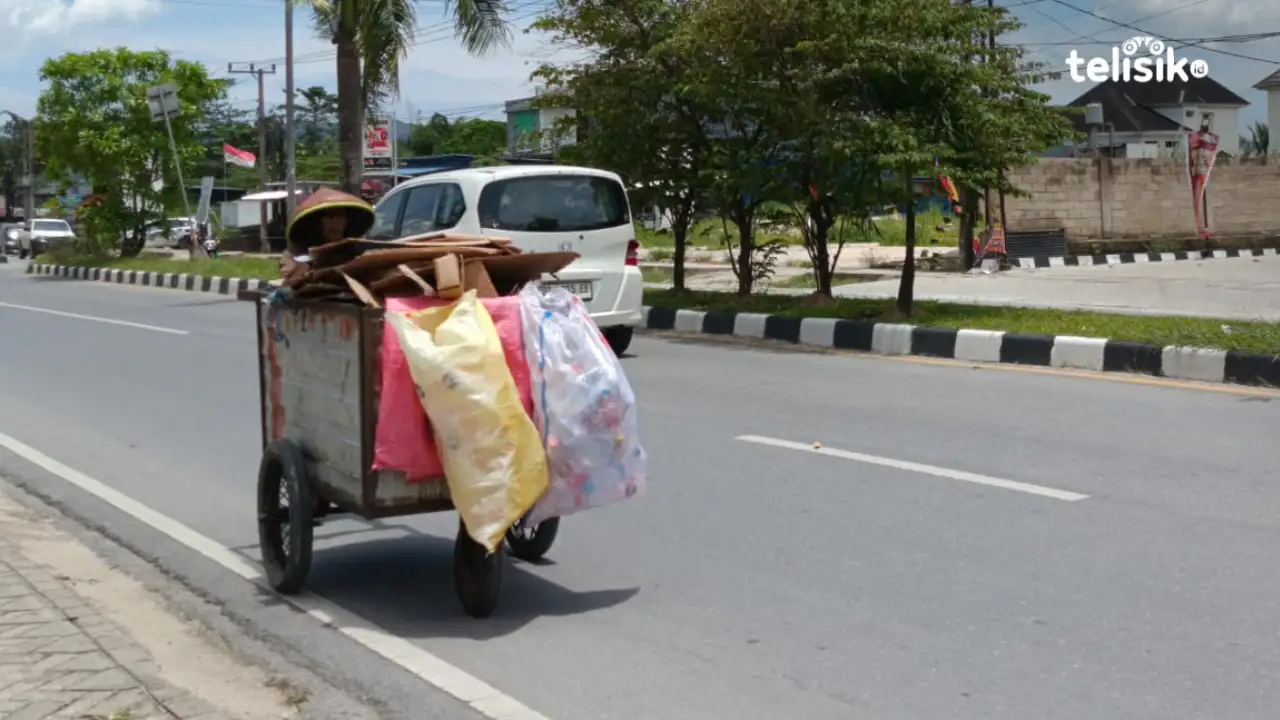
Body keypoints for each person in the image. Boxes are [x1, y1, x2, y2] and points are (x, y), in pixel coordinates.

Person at [279, 188, 375, 281]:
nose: (335, 222)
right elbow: (287, 283)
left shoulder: (357, 251)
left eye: (340, 216)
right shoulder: (295, 253)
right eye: (329, 216)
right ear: (317, 223)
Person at [1187, 116, 1220, 239]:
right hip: (1196, 173)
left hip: (1202, 172)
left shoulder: (1208, 141)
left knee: (1200, 198)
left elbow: (1209, 157)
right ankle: (1200, 226)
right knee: (1197, 198)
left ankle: (1202, 226)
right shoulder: (1194, 140)